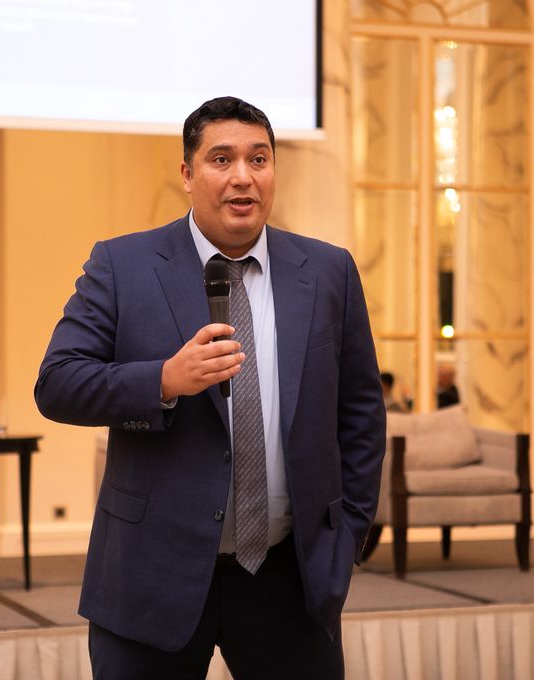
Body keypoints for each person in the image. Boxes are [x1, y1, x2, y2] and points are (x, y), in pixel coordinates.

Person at [35, 96, 386, 679]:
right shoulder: (123, 265)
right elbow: (57, 383)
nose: (242, 176)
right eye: (221, 159)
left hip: (288, 578)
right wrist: (163, 379)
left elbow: (361, 414)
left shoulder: (329, 271)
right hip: (152, 576)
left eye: (259, 159)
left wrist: (346, 535)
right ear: (187, 173)